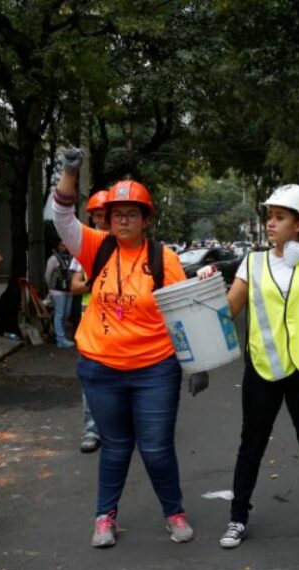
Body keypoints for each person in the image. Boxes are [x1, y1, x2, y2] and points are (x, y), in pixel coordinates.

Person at [52, 148, 199, 547]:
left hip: (155, 369)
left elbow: (183, 314)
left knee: (155, 447)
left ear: (147, 219)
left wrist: (196, 363)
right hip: (101, 370)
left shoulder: (163, 258)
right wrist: (69, 171)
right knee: (115, 446)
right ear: (108, 217)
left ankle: (174, 512)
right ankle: (105, 517)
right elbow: (61, 217)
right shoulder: (96, 247)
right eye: (117, 213)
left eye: (132, 213)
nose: (123, 219)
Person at [215, 153, 299, 549]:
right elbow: (229, 311)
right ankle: (237, 518)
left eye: (280, 216)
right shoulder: (252, 263)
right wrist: (207, 290)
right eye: (269, 215)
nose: (271, 222)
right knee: (251, 445)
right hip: (263, 370)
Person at [68, 190, 111, 453]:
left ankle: (124, 427)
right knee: (92, 378)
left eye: (105, 215)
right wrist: (92, 283)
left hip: (122, 322)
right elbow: (74, 286)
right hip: (92, 322)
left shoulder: (127, 245)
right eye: (97, 216)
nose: (102, 221)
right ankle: (92, 430)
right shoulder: (85, 248)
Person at [45, 239, 75, 348]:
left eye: (66, 246)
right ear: (58, 247)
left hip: (69, 290)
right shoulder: (53, 259)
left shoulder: (72, 258)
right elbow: (48, 274)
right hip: (57, 291)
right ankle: (60, 339)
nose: (65, 248)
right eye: (62, 246)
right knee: (60, 313)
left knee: (66, 314)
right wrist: (50, 287)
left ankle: (60, 335)